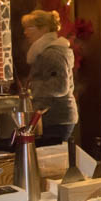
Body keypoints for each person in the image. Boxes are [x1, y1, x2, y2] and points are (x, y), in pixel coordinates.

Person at [23, 10, 78, 145]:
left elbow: (60, 86)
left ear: (44, 29)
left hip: (57, 118)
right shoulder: (47, 51)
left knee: (52, 157)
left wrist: (32, 87)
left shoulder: (52, 53)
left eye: (29, 28)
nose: (25, 32)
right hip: (56, 117)